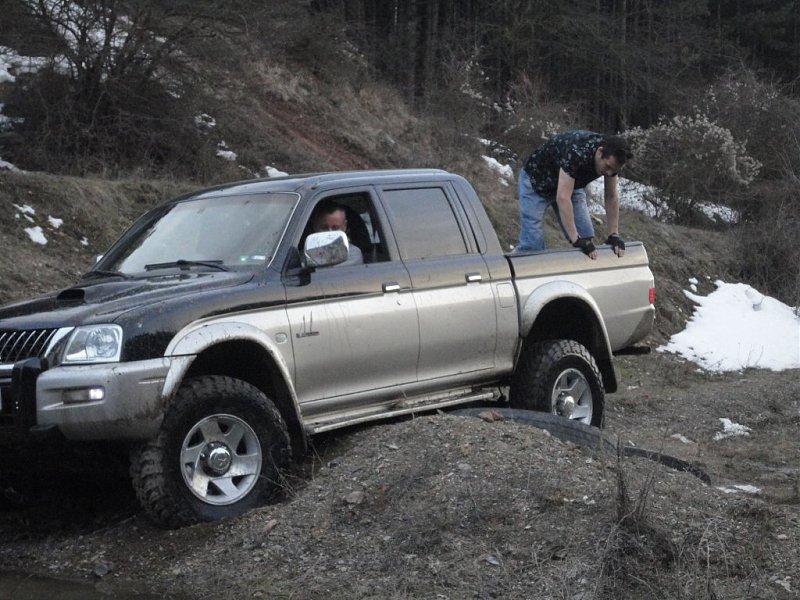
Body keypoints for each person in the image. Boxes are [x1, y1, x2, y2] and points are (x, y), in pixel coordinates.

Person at [516, 130, 632, 260]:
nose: (609, 173)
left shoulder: (612, 155)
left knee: (586, 237)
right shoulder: (577, 151)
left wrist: (614, 235)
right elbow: (562, 197)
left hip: (570, 182)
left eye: (614, 171)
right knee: (532, 244)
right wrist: (575, 240)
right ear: (600, 152)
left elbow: (611, 196)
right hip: (536, 182)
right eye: (608, 167)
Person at [310, 201, 364, 267]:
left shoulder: (353, 254)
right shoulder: (307, 254)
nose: (329, 233)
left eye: (335, 228)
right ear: (315, 226)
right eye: (324, 228)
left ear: (344, 226)